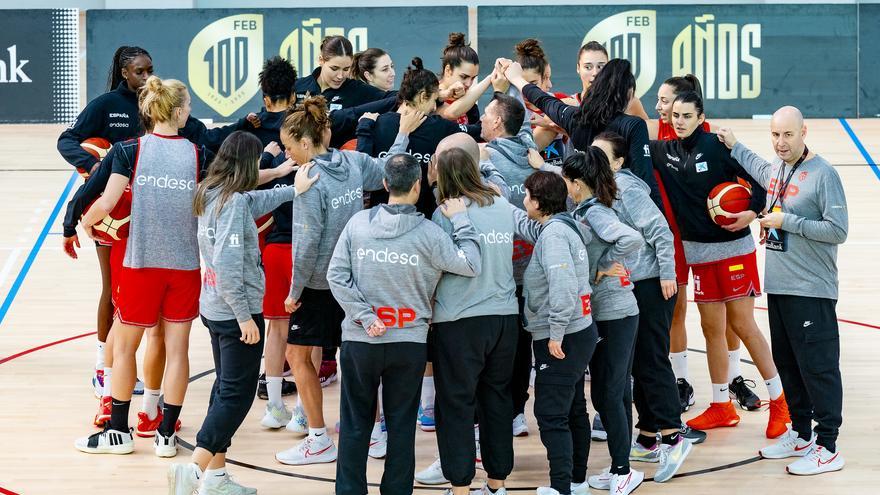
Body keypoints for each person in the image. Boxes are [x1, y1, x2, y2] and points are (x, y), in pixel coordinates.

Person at [274, 96, 424, 466]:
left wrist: (294, 292)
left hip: (319, 283)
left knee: (296, 354)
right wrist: (403, 134)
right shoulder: (353, 162)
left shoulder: (308, 178)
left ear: (306, 142)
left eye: (291, 147)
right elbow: (389, 169)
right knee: (354, 359)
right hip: (358, 279)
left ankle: (318, 438)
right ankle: (374, 435)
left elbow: (307, 244)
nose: (289, 155)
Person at [166, 132, 319, 495]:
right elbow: (230, 265)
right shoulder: (232, 205)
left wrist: (292, 187)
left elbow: (256, 199)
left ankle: (216, 478)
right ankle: (193, 469)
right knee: (236, 396)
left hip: (213, 307)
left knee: (223, 390)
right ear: (246, 165)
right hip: (236, 311)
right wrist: (245, 318)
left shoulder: (211, 192)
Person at [327, 153, 483, 495]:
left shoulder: (357, 224)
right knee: (400, 426)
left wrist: (366, 317)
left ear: (384, 185)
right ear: (417, 187)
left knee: (355, 425)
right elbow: (471, 264)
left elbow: (335, 276)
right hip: (408, 344)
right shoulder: (429, 233)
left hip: (360, 341)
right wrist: (462, 222)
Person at [74, 75, 208, 457]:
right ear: (179, 111)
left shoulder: (129, 149)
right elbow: (233, 186)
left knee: (125, 348)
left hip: (141, 264)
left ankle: (118, 431)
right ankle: (165, 434)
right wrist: (280, 175)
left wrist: (85, 222)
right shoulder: (198, 153)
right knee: (178, 349)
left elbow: (106, 200)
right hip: (184, 266)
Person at [648, 92, 790, 439]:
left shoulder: (716, 146)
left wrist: (752, 212)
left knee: (743, 325)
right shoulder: (663, 151)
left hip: (733, 252)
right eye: (675, 115)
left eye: (686, 115)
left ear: (701, 117)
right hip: (698, 256)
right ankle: (721, 404)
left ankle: (781, 403)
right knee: (711, 328)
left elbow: (763, 181)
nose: (678, 120)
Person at [717, 106, 848, 475]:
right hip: (780, 287)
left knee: (818, 369)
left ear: (804, 132)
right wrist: (735, 145)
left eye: (788, 135)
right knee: (789, 366)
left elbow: (838, 230)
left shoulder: (824, 175)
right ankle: (802, 433)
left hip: (812, 290)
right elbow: (759, 168)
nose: (780, 142)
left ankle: (828, 446)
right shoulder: (777, 168)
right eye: (775, 135)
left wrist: (785, 221)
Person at [650, 75, 757, 412]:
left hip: (707, 236)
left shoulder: (710, 138)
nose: (660, 107)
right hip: (670, 236)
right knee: (676, 311)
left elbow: (743, 184)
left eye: (665, 100)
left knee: (728, 316)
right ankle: (681, 381)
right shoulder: (654, 136)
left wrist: (749, 211)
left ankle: (735, 377)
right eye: (661, 102)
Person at [58, 45, 151, 403]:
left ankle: (126, 366)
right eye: (140, 72)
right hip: (110, 210)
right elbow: (66, 139)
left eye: (150, 70)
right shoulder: (105, 105)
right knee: (113, 287)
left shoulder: (154, 103)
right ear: (125, 72)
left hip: (148, 207)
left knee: (141, 291)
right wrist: (91, 164)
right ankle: (103, 366)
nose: (146, 77)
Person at [430, 148, 519, 495]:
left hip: (459, 321)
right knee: (496, 399)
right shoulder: (501, 206)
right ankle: (497, 484)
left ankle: (460, 487)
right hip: (504, 320)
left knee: (456, 402)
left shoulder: (445, 214)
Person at [559, 149, 645, 495]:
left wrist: (602, 264)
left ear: (577, 184)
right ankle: (619, 465)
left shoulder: (594, 212)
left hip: (615, 315)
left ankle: (623, 470)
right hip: (614, 313)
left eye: (567, 180)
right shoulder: (587, 207)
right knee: (617, 391)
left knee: (607, 394)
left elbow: (632, 238)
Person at [515, 171, 597, 495]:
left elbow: (564, 287)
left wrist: (556, 334)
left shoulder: (553, 237)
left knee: (550, 413)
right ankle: (577, 482)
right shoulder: (564, 226)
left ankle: (561, 487)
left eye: (525, 196)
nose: (523, 201)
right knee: (573, 407)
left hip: (564, 337)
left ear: (537, 202)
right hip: (580, 331)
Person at [504, 58, 662, 210]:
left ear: (597, 87)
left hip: (579, 212)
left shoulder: (574, 118)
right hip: (617, 214)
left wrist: (516, 78)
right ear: (628, 93)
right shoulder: (634, 125)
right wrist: (660, 223)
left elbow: (544, 101)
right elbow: (644, 178)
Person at [479, 92, 540, 436]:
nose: (482, 119)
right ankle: (517, 411)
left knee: (501, 348)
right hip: (531, 272)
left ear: (499, 122)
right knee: (523, 347)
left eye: (487, 114)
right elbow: (525, 125)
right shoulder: (530, 151)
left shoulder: (485, 158)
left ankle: (501, 412)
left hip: (501, 273)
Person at [356, 57, 485, 215]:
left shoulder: (375, 124)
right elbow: (479, 131)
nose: (433, 107)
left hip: (380, 219)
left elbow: (362, 166)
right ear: (423, 96)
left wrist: (364, 126)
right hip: (425, 220)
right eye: (434, 100)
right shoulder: (439, 127)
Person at [294, 35, 389, 148]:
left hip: (339, 163)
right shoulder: (297, 86)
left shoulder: (357, 90)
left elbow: (392, 98)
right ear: (321, 60)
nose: (340, 76)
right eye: (334, 69)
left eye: (346, 69)